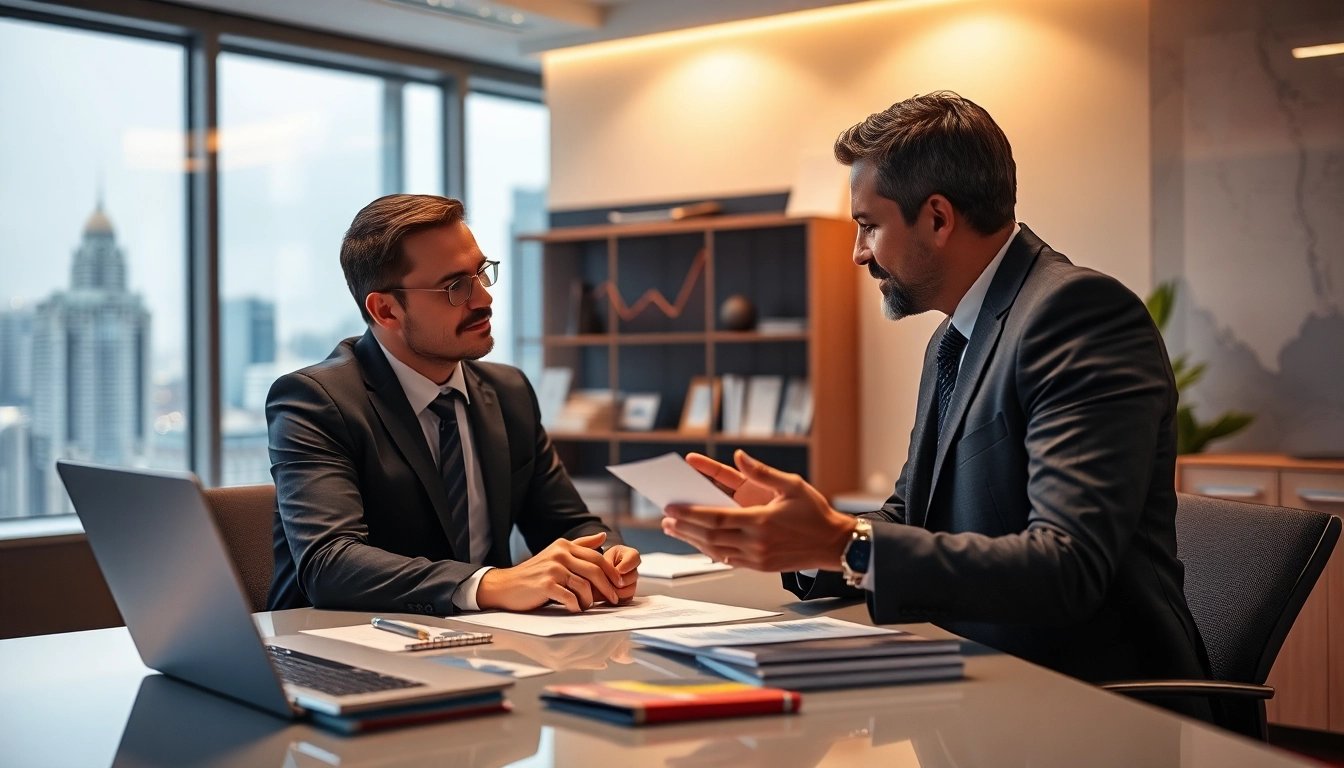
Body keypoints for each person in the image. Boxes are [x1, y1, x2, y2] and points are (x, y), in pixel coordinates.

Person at [664, 93, 1212, 705]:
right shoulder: (953, 340)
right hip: (975, 686)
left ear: (938, 218)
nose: (858, 253)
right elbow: (913, 517)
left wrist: (842, 542)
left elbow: (1066, 567)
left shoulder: (1077, 316)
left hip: (1092, 704)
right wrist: (810, 539)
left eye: (868, 225)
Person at [265, 194, 640, 616]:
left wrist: (607, 557)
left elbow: (568, 524)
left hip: (486, 645)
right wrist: (487, 582)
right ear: (385, 309)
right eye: (455, 286)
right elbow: (329, 563)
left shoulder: (508, 390)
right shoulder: (315, 400)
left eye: (480, 274)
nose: (483, 299)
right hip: (338, 649)